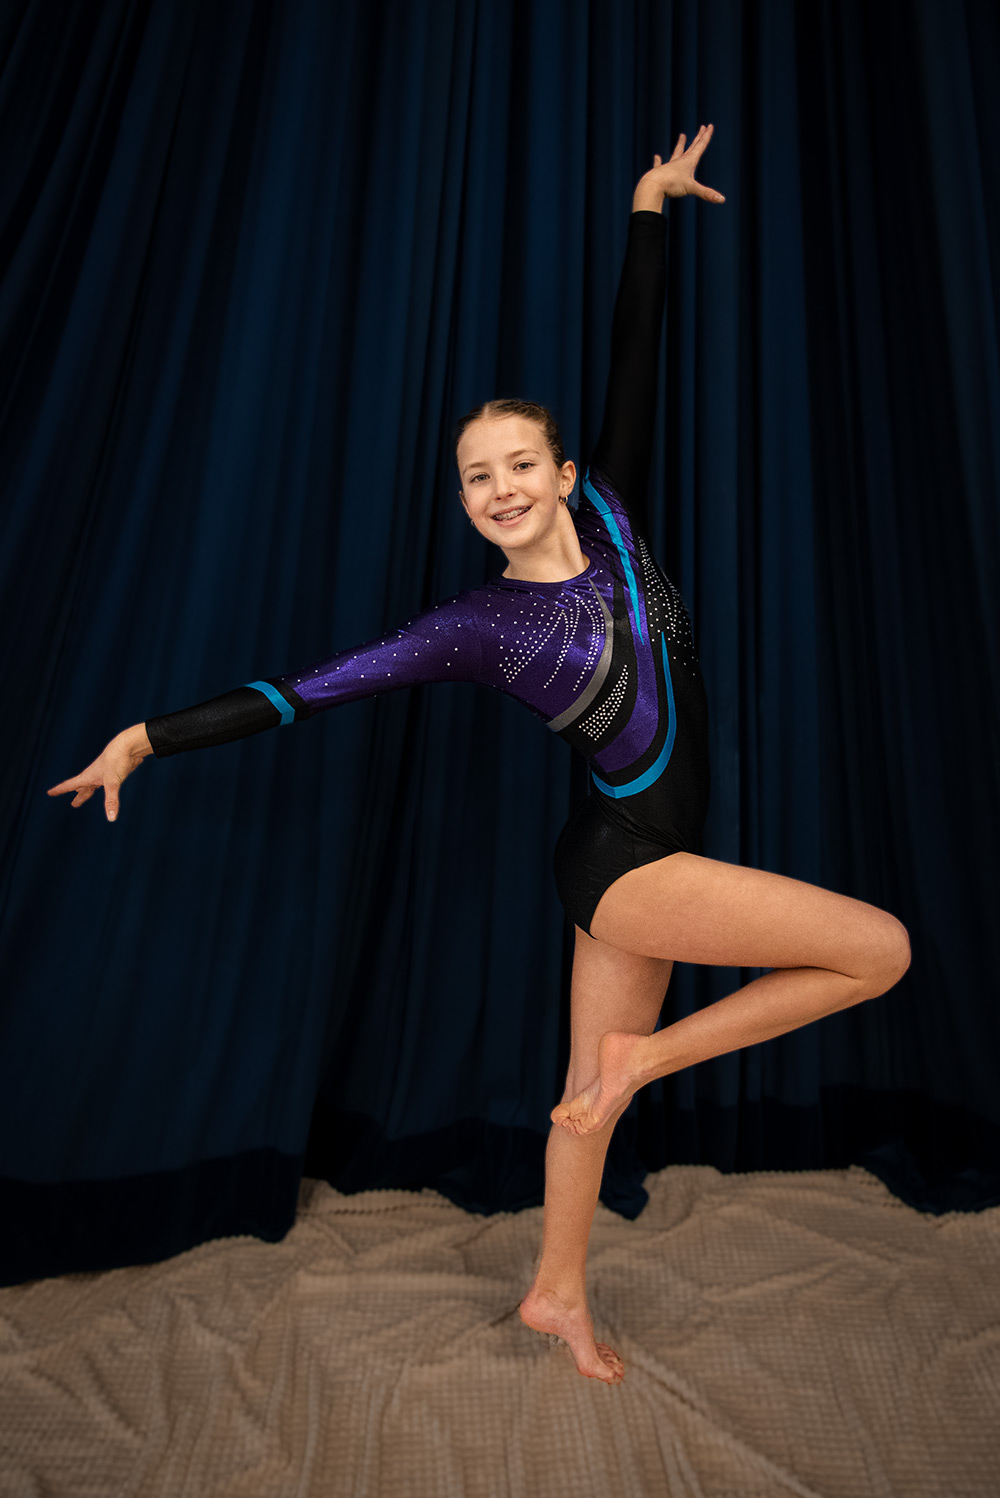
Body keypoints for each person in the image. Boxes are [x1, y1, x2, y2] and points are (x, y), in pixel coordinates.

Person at [48, 125, 910, 1384]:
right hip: (622, 864)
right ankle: (644, 1064)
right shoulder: (472, 625)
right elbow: (306, 689)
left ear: (563, 472)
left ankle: (555, 1292)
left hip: (638, 855)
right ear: (463, 501)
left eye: (518, 465)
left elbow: (634, 352)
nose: (499, 488)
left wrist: (648, 207)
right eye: (474, 478)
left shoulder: (613, 511)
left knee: (581, 1101)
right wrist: (147, 735)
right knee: (876, 949)